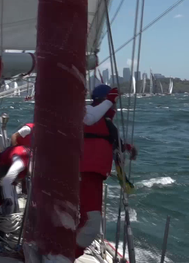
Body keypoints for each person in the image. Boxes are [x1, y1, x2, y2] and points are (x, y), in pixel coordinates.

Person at [75, 84, 137, 258]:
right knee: (91, 225)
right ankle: (63, 256)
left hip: (93, 177)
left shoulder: (106, 123)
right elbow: (90, 120)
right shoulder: (88, 112)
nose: (116, 107)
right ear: (104, 100)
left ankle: (65, 255)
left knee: (89, 223)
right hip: (84, 175)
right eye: (114, 102)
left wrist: (126, 148)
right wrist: (110, 99)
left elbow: (106, 138)